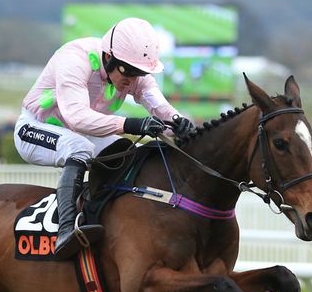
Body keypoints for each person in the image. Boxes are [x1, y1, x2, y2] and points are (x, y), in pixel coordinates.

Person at [13, 17, 197, 260]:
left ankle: (108, 217)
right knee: (78, 147)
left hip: (81, 133)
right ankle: (66, 230)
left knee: (126, 151)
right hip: (34, 128)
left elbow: (159, 106)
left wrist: (178, 122)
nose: (132, 80)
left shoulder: (129, 69)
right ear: (108, 57)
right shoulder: (75, 60)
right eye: (128, 71)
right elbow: (77, 117)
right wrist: (130, 123)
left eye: (139, 73)